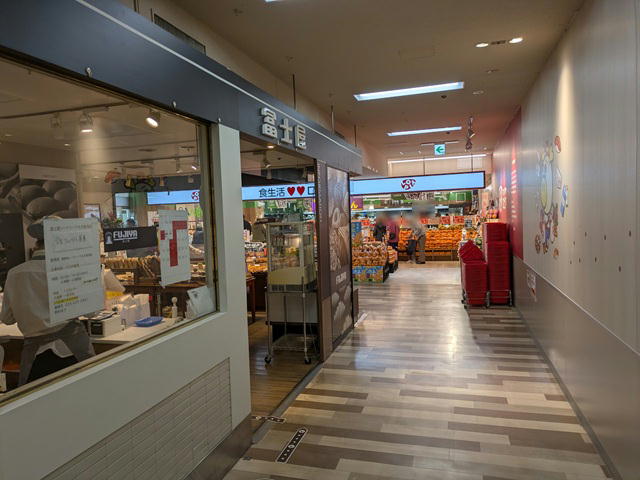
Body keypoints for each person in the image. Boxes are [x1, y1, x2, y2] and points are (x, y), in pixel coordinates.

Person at [0, 217, 95, 385]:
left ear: (37, 244)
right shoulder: (71, 268)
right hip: (72, 351)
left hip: (35, 357)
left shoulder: (15, 273)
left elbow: (7, 319)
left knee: (40, 399)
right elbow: (91, 312)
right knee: (85, 395)